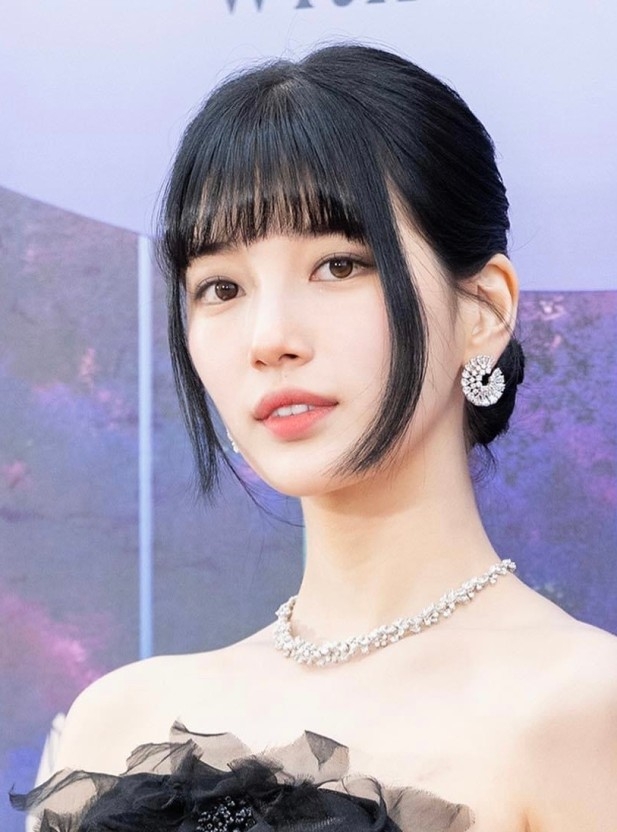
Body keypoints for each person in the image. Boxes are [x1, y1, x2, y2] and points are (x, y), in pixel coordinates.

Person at [12, 44, 617, 832]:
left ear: (484, 310)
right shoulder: (117, 725)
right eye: (221, 287)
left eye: (338, 266)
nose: (269, 337)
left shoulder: (581, 713)